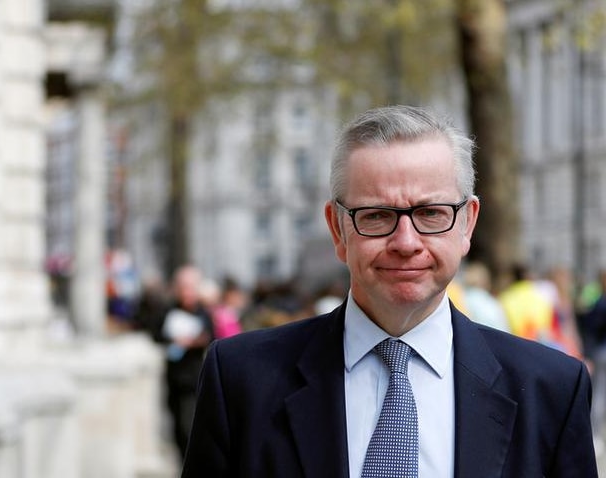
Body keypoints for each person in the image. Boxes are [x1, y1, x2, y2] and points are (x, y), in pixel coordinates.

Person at [181, 105, 597, 477]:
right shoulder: (242, 379)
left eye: (431, 213)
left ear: (467, 224)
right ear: (337, 229)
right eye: (377, 216)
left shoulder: (550, 389)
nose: (405, 241)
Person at [160, 264, 215, 461]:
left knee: (190, 427)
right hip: (174, 378)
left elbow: (212, 339)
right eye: (182, 287)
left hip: (194, 380)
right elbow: (157, 334)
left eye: (190, 287)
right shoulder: (168, 311)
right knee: (177, 429)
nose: (186, 292)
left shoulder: (204, 314)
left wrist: (194, 341)